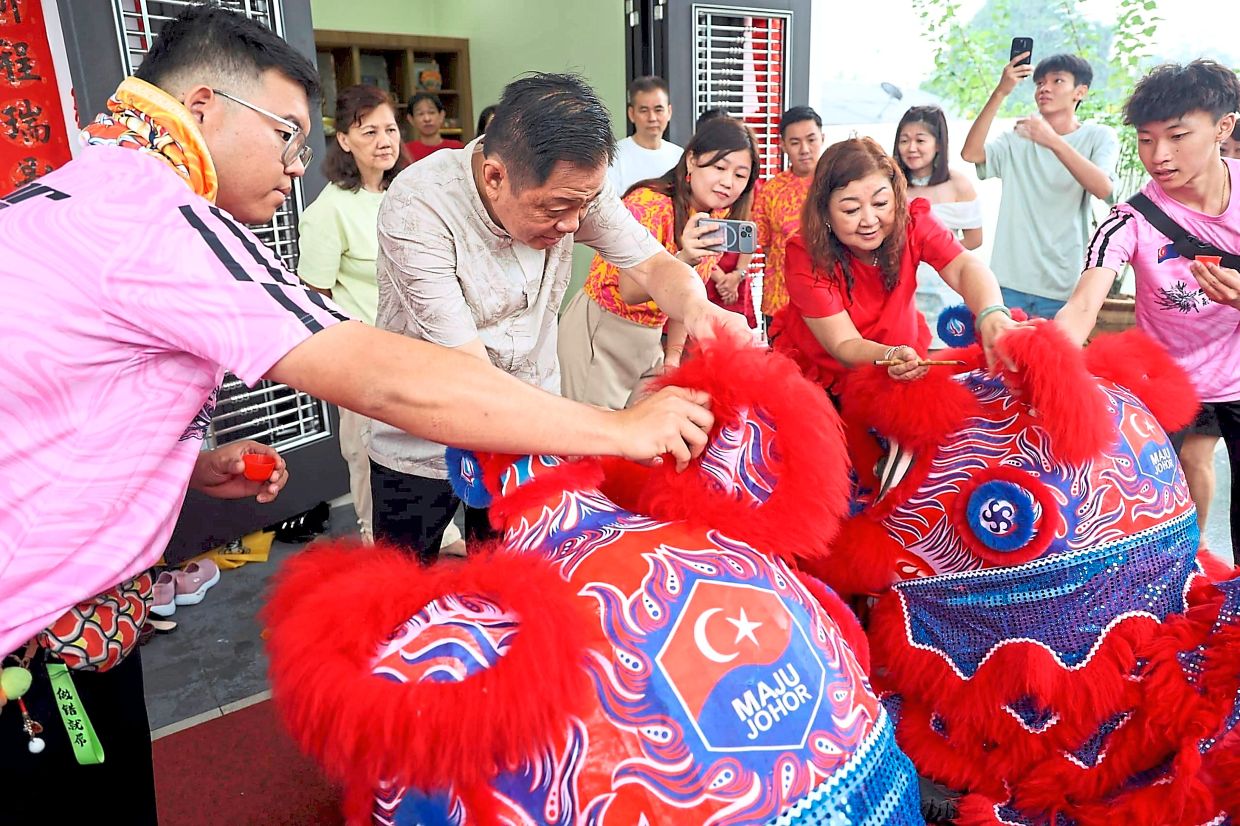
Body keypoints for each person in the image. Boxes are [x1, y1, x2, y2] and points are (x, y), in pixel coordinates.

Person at [0, 8, 719, 818]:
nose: (295, 167)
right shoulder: (156, 215)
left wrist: (185, 463)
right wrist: (619, 429)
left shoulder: (81, 189)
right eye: (286, 136)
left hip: (63, 620)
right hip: (26, 632)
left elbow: (50, 402)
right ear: (200, 109)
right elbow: (406, 384)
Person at [370, 72, 751, 562]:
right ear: (494, 176)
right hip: (421, 438)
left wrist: (701, 312)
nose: (573, 224)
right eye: (556, 209)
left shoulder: (574, 187)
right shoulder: (418, 206)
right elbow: (467, 378)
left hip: (529, 431)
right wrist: (620, 429)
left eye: (584, 205)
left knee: (512, 580)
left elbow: (655, 266)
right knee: (402, 587)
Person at [1056, 59, 1240, 564]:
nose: (1159, 155)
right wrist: (1046, 359)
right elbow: (1084, 302)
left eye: (1178, 136)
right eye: (1146, 139)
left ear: (1223, 127)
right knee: (1145, 503)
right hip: (1166, 382)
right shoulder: (1129, 220)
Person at [770, 137, 1016, 401]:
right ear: (825, 213)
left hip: (899, 357)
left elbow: (964, 266)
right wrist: (887, 356)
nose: (869, 220)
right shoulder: (805, 253)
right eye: (851, 209)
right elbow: (843, 344)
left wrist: (991, 314)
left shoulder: (913, 221)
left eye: (880, 204)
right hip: (825, 376)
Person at [560, 117, 759, 409]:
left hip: (651, 337)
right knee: (590, 435)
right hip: (604, 328)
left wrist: (674, 356)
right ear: (691, 160)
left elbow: (686, 299)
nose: (728, 182)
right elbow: (629, 290)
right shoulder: (650, 203)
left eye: (740, 175)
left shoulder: (713, 222)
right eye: (719, 167)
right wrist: (685, 259)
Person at [961, 53, 1119, 318]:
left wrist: (1053, 141)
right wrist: (1001, 92)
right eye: (1039, 83)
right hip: (1007, 280)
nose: (1045, 88)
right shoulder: (1019, 136)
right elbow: (971, 154)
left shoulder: (1098, 136)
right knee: (1002, 358)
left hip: (1062, 284)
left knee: (1051, 359)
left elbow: (1104, 189)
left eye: (1057, 81)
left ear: (1080, 92)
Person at [894, 105, 984, 346]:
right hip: (901, 290)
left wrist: (936, 257)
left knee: (944, 354)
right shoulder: (892, 185)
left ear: (938, 144)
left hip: (944, 290)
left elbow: (975, 239)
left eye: (920, 140)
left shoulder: (958, 184)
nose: (911, 148)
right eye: (904, 140)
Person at [752, 105, 825, 329]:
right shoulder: (771, 190)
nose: (804, 149)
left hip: (827, 302)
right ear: (782, 145)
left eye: (811, 139)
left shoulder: (838, 185)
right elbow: (763, 244)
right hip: (779, 302)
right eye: (795, 142)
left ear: (823, 138)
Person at [606, 75, 683, 194]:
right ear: (631, 114)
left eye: (658, 110)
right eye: (644, 110)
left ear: (669, 112)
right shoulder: (614, 156)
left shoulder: (680, 156)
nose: (652, 118)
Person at [403, 92, 463, 162]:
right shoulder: (405, 152)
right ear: (411, 119)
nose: (427, 119)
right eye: (420, 114)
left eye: (431, 112)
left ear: (441, 115)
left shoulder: (457, 149)